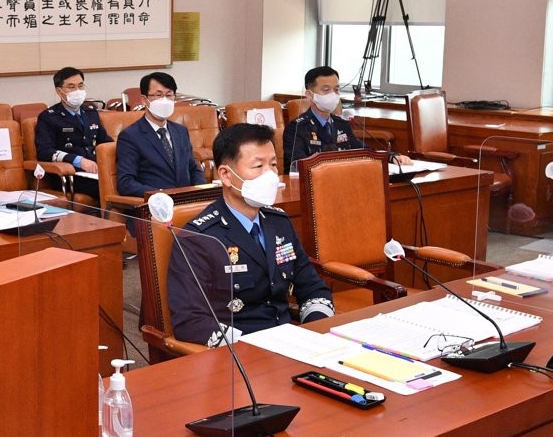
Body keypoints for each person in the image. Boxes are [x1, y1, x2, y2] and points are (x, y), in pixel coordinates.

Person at [168, 123, 333, 345]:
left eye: (273, 165)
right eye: (258, 166)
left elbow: (312, 287)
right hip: (239, 355)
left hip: (291, 344)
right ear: (226, 175)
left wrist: (315, 331)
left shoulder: (279, 222)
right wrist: (251, 349)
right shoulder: (200, 237)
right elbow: (190, 320)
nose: (271, 175)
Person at [283, 66, 412, 172]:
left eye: (336, 89)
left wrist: (391, 157)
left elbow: (364, 151)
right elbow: (298, 167)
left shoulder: (341, 124)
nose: (333, 95)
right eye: (326, 90)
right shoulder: (296, 128)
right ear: (309, 95)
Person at [116, 71, 205, 198]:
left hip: (186, 202)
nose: (165, 100)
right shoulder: (130, 136)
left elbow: (193, 168)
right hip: (155, 206)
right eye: (158, 95)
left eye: (169, 95)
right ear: (144, 100)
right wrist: (160, 195)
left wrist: (199, 191)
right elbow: (126, 183)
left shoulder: (181, 131)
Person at [34, 66, 112, 200]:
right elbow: (45, 151)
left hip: (96, 170)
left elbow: (105, 142)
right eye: (71, 87)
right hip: (70, 174)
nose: (78, 91)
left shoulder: (91, 113)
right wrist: (78, 161)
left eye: (81, 86)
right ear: (59, 91)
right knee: (109, 186)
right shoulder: (49, 117)